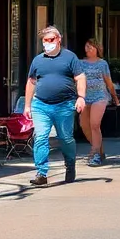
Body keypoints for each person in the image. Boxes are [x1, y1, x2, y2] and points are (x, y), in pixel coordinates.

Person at [23, 26, 86, 187]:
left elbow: (80, 77)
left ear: (59, 39)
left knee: (65, 138)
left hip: (64, 104)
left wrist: (81, 97)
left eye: (51, 40)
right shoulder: (38, 60)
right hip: (41, 104)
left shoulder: (70, 57)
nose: (47, 43)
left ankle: (70, 164)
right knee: (41, 137)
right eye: (45, 40)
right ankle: (41, 173)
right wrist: (27, 105)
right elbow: (31, 82)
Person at [78, 39, 119, 167]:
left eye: (91, 46)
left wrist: (115, 98)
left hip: (100, 96)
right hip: (85, 97)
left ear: (97, 49)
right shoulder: (80, 63)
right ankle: (99, 149)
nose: (89, 48)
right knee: (84, 125)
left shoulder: (102, 64)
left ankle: (95, 154)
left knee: (94, 124)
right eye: (87, 46)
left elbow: (108, 82)